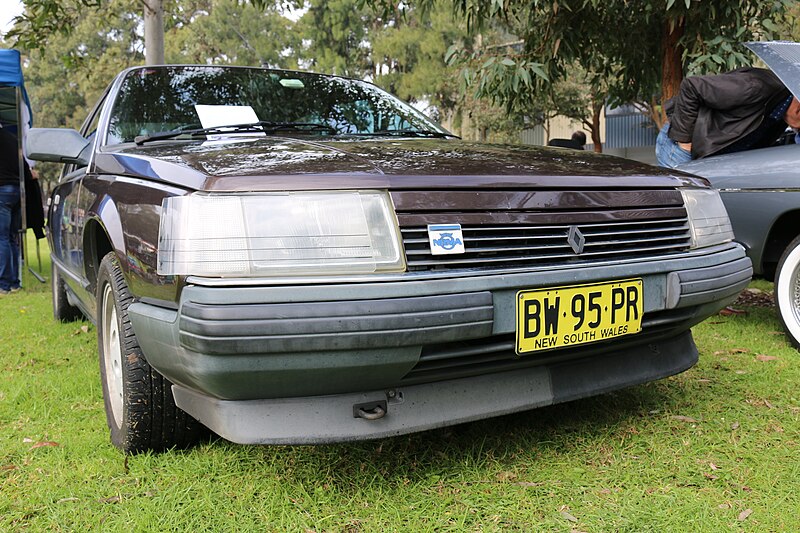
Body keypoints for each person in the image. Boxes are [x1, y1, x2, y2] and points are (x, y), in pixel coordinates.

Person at [657, 67, 800, 168]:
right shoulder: (754, 87)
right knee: (678, 206)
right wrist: (685, 144)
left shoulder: (782, 111)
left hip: (712, 160)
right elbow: (691, 87)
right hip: (683, 146)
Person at [0, 125, 29, 294]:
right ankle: (14, 282)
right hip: (17, 191)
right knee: (11, 238)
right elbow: (24, 166)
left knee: (2, 238)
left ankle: (3, 285)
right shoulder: (12, 139)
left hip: (2, 191)